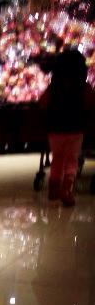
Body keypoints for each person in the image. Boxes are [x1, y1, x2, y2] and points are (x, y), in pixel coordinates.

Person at [39, 48, 95, 206]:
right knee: (72, 160)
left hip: (55, 129)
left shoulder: (53, 87)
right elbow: (91, 102)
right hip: (76, 129)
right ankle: (67, 190)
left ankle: (53, 188)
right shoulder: (83, 87)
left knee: (57, 158)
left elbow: (42, 102)